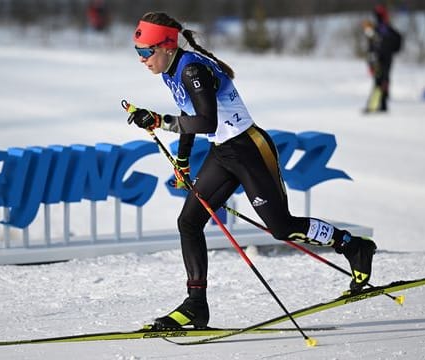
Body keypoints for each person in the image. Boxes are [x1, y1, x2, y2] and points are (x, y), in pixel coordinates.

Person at [127, 12, 377, 330]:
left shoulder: (192, 69)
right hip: (224, 152)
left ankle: (353, 246)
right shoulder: (171, 70)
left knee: (282, 228)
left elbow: (207, 121)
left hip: (249, 149)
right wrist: (184, 160)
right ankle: (195, 306)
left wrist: (159, 121)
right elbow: (187, 112)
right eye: (138, 52)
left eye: (146, 51)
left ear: (166, 45)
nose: (142, 59)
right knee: (188, 222)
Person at [363, 4, 402, 113]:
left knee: (381, 81)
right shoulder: (380, 29)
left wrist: (371, 61)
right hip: (380, 59)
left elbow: (372, 47)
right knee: (381, 80)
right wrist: (370, 62)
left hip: (383, 59)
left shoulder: (384, 30)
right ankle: (379, 104)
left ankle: (376, 105)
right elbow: (371, 46)